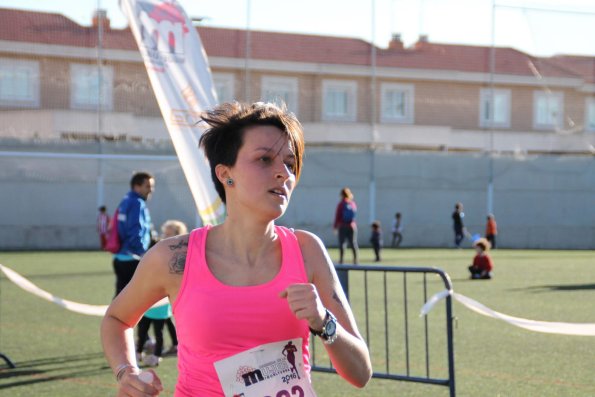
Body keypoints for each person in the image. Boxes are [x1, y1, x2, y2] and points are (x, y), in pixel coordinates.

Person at [101, 102, 372, 396]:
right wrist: (126, 372)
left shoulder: (307, 250)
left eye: (290, 164)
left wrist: (323, 321)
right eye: (265, 160)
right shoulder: (174, 257)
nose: (283, 173)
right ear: (225, 174)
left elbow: (360, 373)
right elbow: (116, 319)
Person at [112, 171, 155, 296]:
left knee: (121, 300)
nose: (151, 190)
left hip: (121, 256)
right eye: (147, 186)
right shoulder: (137, 203)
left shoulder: (126, 200)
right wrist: (143, 253)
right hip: (133, 258)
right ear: (137, 186)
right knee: (136, 301)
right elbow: (135, 230)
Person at [333, 187, 359, 264]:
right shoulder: (352, 203)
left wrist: (335, 226)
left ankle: (341, 260)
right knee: (353, 243)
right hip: (352, 226)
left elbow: (337, 216)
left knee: (342, 243)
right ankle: (355, 260)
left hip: (342, 226)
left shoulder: (341, 204)